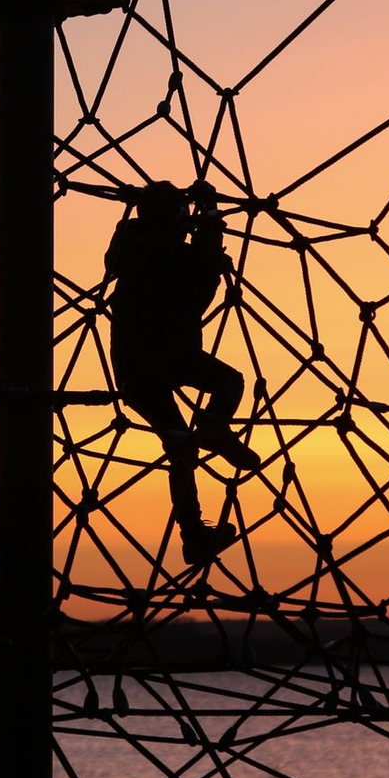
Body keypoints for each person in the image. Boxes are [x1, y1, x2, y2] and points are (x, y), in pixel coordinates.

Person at [104, 180, 259, 565]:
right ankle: (213, 428)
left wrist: (199, 217)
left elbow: (196, 266)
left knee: (180, 447)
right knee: (228, 382)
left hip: (134, 366)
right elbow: (204, 264)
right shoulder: (166, 252)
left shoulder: (133, 244)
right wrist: (208, 213)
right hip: (166, 354)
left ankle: (193, 535)